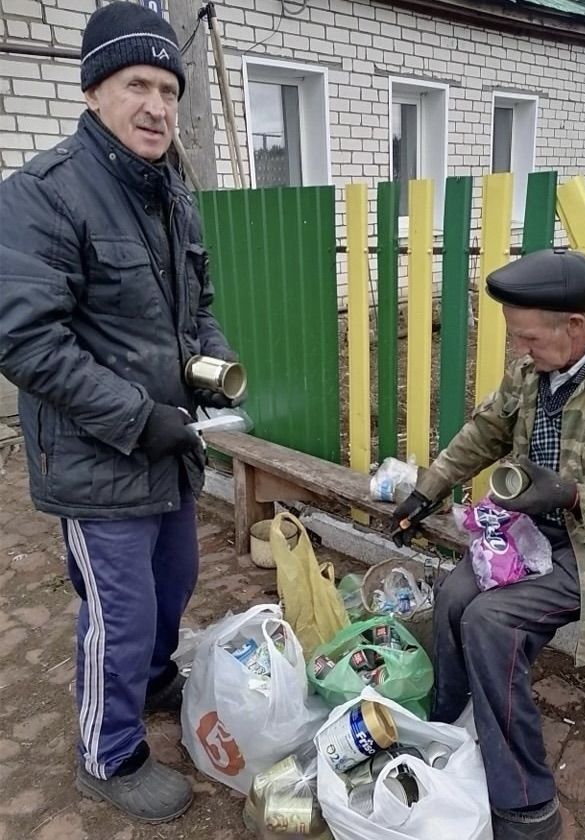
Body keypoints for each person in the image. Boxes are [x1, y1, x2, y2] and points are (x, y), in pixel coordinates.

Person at [0, 1, 238, 824]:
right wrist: (141, 418)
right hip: (99, 456)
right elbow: (27, 343)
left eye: (169, 88)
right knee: (123, 610)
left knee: (174, 583)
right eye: (137, 84)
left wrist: (208, 366)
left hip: (167, 444)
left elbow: (195, 304)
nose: (158, 106)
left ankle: (150, 680)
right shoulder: (43, 195)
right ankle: (109, 752)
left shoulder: (170, 189)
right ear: (95, 92)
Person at [392, 249, 585, 840]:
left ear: (577, 326)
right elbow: (485, 429)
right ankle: (452, 725)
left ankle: (527, 805)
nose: (520, 350)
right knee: (456, 594)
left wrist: (573, 495)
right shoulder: (533, 370)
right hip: (531, 535)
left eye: (528, 338)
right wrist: (426, 490)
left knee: (491, 621)